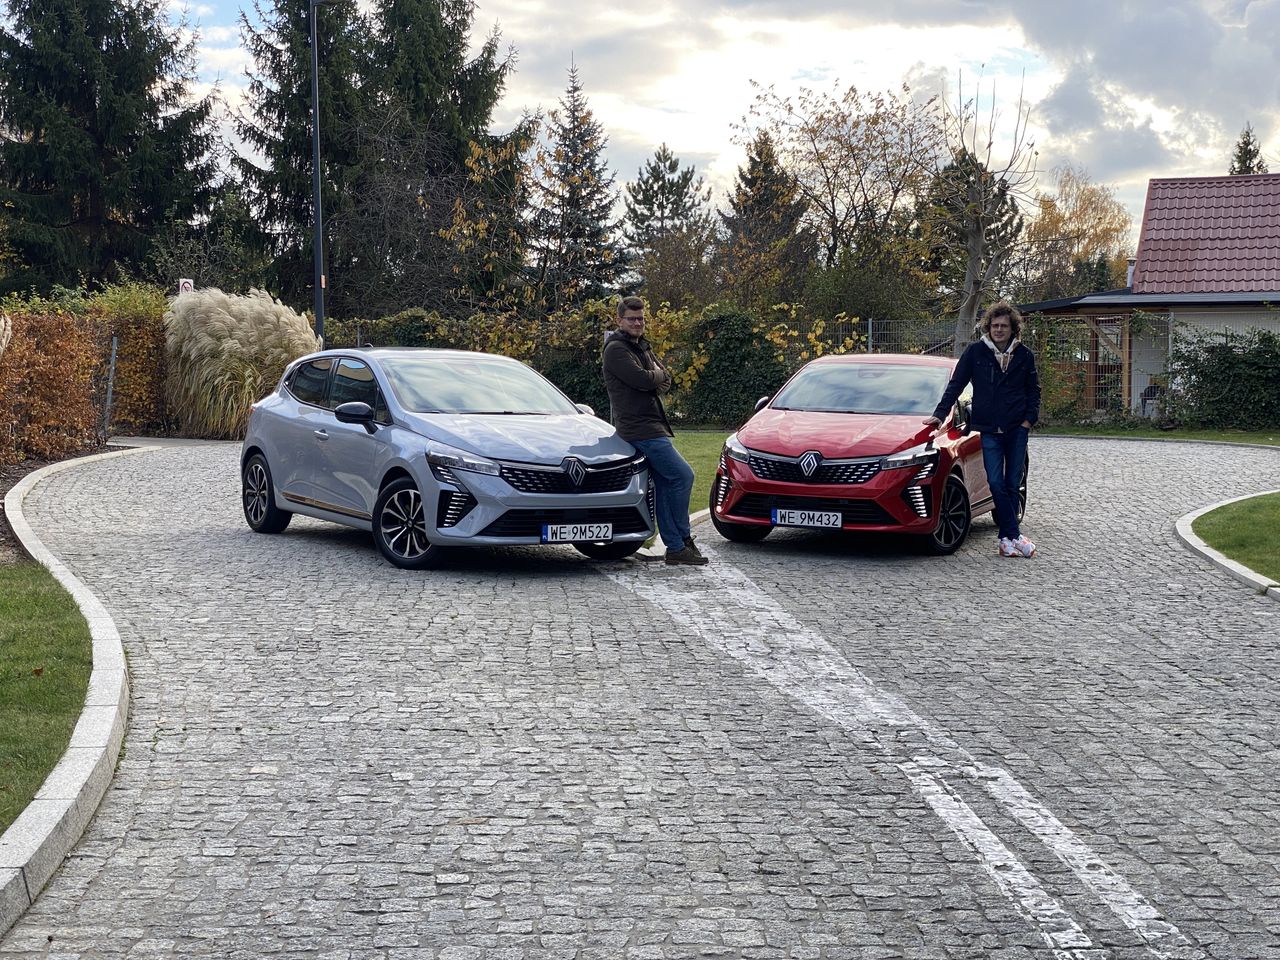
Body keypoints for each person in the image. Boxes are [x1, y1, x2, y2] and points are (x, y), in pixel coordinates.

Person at [923, 301, 1041, 558]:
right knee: (996, 482)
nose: (999, 330)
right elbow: (956, 385)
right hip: (989, 429)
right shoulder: (976, 352)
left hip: (1017, 428)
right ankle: (1015, 536)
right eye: (994, 325)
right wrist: (939, 414)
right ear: (988, 327)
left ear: (1013, 329)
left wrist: (1028, 420)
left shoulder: (1024, 355)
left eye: (1004, 326)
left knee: (1012, 482)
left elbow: (1034, 391)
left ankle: (1006, 540)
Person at [602, 296, 707, 566]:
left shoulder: (641, 346)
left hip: (651, 425)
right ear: (620, 320)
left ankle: (676, 546)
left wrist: (654, 376)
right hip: (640, 428)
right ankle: (682, 538)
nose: (637, 323)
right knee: (683, 475)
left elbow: (665, 378)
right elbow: (641, 379)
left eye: (641, 319)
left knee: (665, 483)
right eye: (632, 318)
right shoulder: (616, 349)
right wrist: (654, 375)